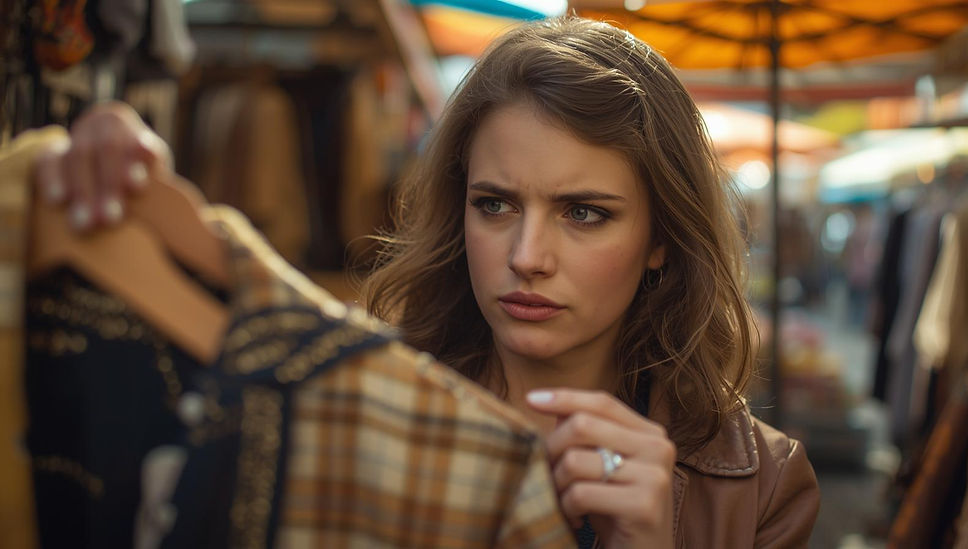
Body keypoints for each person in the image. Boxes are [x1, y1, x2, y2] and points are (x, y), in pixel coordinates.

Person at [35, 16, 819, 548]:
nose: (527, 254)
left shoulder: (759, 483)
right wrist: (108, 180)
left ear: (660, 240)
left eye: (584, 212)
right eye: (495, 204)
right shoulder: (360, 399)